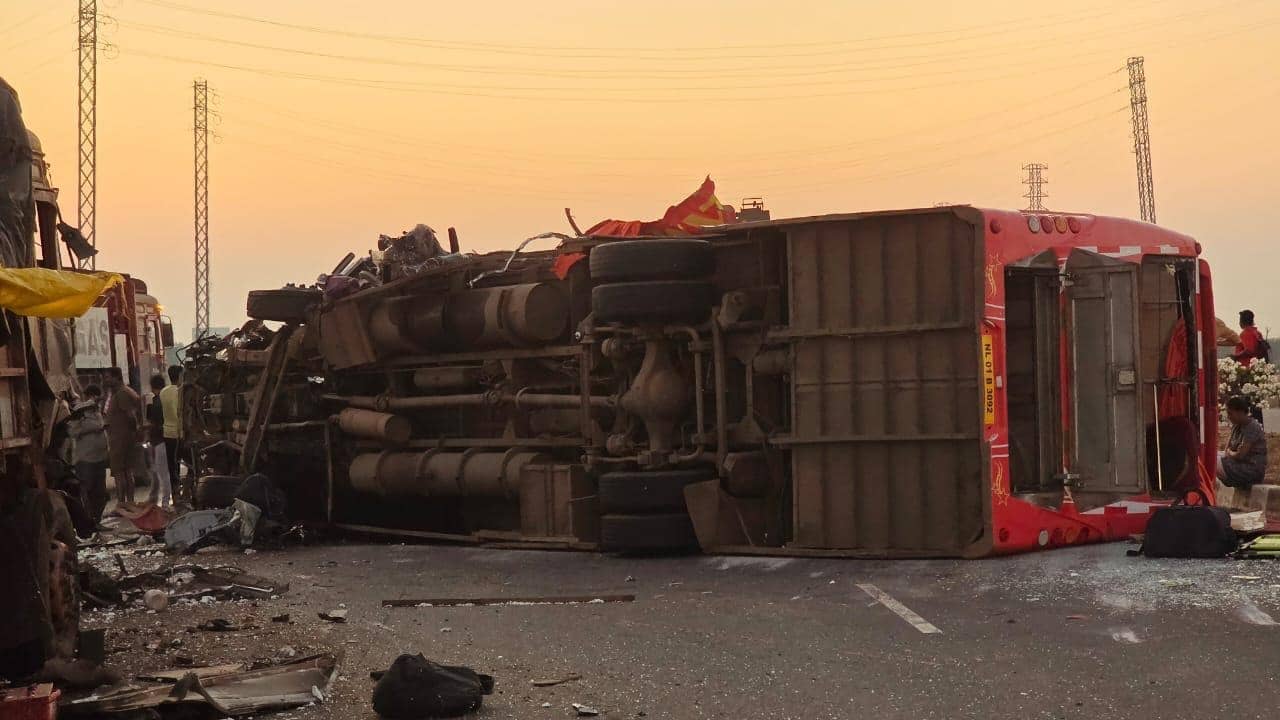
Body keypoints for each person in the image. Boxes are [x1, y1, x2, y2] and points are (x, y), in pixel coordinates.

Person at [67, 385, 109, 524]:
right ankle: (88, 523)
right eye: (94, 397)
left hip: (100, 459)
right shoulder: (80, 411)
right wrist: (92, 429)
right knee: (87, 492)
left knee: (100, 493)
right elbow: (72, 432)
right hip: (85, 460)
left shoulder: (98, 411)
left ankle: (97, 521)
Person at [102, 366, 142, 506]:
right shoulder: (122, 392)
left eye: (108, 377)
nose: (105, 380)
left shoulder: (122, 393)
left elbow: (131, 416)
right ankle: (128, 504)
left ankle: (122, 505)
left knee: (120, 473)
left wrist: (131, 433)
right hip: (122, 438)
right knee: (126, 471)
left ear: (116, 377)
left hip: (121, 439)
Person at [1218, 395, 1268, 489]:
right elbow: (1227, 450)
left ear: (1240, 412)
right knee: (1212, 456)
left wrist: (1231, 453)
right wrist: (1232, 453)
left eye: (1230, 413)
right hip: (1236, 463)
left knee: (1212, 461)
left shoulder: (1252, 426)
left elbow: (1241, 455)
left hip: (1250, 470)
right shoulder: (1236, 426)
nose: (1229, 417)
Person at [145, 373, 172, 508]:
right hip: (168, 438)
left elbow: (154, 422)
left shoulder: (156, 401)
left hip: (159, 441)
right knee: (162, 471)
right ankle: (155, 499)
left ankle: (166, 502)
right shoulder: (168, 398)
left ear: (152, 386)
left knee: (163, 473)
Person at [160, 365, 184, 500]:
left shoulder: (163, 391)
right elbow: (178, 413)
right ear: (180, 375)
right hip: (178, 432)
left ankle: (175, 493)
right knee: (183, 461)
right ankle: (181, 491)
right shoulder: (179, 391)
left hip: (167, 432)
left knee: (172, 463)